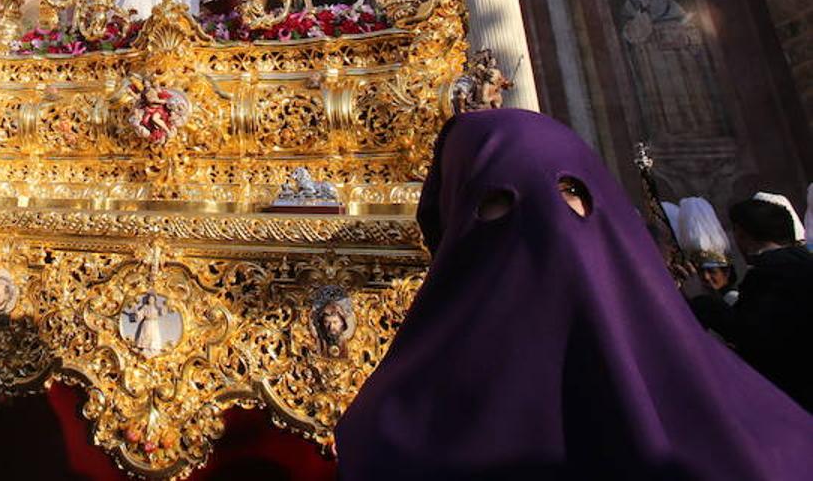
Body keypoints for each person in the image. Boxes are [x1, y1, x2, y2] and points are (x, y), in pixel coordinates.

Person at [336, 109, 813, 480]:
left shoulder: (775, 435)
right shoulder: (394, 429)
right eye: (500, 197)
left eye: (567, 189)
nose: (548, 219)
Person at [689, 195, 813, 411]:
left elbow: (756, 336)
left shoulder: (768, 274)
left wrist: (707, 306)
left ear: (741, 234)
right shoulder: (803, 265)